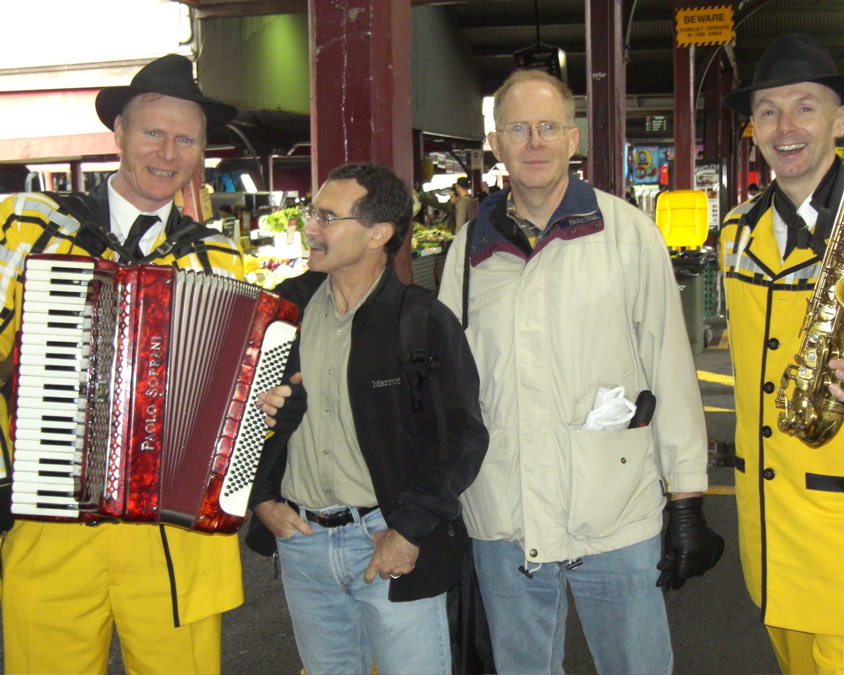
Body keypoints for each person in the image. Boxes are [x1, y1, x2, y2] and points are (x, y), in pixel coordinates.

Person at [437, 69, 723, 675]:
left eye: (548, 127)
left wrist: (688, 497)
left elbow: (668, 368)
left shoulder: (628, 237)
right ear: (496, 143)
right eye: (519, 128)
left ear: (573, 139)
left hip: (614, 512)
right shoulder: (467, 253)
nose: (534, 142)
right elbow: (451, 386)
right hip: (503, 518)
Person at [0, 54, 244, 674]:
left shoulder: (218, 256)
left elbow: (233, 391)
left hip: (176, 533)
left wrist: (258, 406)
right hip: (51, 516)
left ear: (201, 151)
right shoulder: (26, 229)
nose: (168, 152)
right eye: (152, 133)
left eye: (185, 138)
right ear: (119, 136)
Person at [250, 162, 489, 675]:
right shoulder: (280, 311)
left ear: (379, 233)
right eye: (312, 213)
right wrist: (263, 500)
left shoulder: (421, 321)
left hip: (386, 541)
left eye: (328, 217)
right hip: (303, 545)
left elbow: (461, 438)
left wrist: (408, 531)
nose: (310, 227)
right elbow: (236, 414)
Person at [721, 33, 844, 674]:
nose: (784, 125)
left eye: (805, 106)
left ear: (841, 118)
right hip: (769, 532)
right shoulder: (735, 232)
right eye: (768, 110)